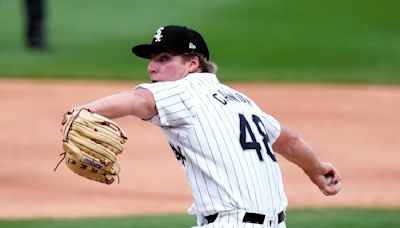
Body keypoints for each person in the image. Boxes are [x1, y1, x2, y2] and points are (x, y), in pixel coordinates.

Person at [72, 25, 341, 228]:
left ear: (193, 63)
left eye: (164, 58)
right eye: (151, 60)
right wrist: (316, 169)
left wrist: (82, 112)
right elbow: (289, 141)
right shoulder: (239, 98)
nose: (151, 68)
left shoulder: (182, 90)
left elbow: (138, 100)